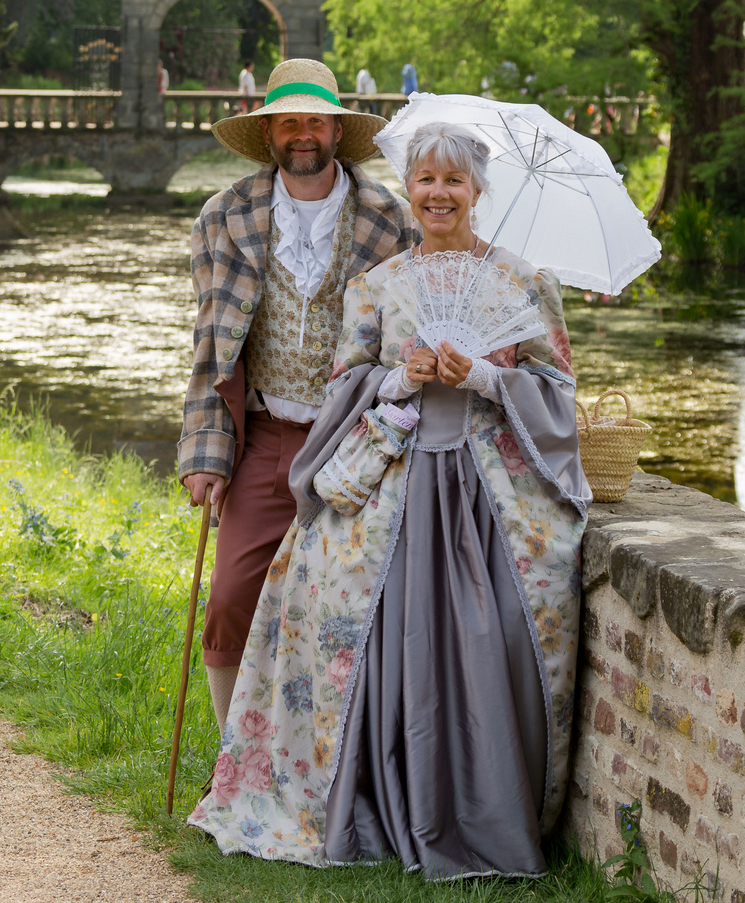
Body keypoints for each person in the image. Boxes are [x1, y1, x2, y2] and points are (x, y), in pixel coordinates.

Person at [187, 122, 590, 880]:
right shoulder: (374, 287)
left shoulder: (523, 282)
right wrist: (398, 381)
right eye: (426, 181)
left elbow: (560, 396)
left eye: (454, 182)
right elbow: (345, 386)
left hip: (487, 492)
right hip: (396, 481)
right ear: (412, 190)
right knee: (356, 621)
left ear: (478, 191)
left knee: (503, 627)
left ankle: (483, 812)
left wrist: (486, 379)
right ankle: (369, 801)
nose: (439, 194)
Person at [179, 58, 418, 738]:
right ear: (271, 134)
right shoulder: (224, 217)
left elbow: (402, 340)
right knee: (229, 600)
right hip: (261, 438)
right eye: (289, 122)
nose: (303, 133)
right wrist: (205, 453)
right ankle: (235, 762)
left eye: (316, 120)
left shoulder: (387, 219)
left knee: (343, 606)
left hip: (351, 444)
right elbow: (211, 347)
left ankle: (326, 760)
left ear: (337, 131)